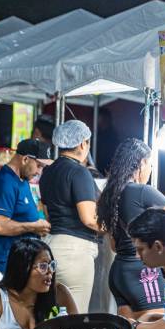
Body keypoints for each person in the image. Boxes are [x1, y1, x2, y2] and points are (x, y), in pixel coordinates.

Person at [97, 138, 165, 320]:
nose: (150, 170)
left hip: (119, 272)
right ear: (141, 163)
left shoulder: (109, 194)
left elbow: (114, 246)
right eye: (150, 165)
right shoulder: (142, 191)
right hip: (142, 272)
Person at [38, 120, 99, 313]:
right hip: (75, 253)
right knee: (75, 318)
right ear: (82, 143)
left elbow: (47, 213)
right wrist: (110, 227)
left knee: (53, 315)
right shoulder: (79, 172)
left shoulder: (47, 172)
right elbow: (88, 219)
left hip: (51, 247)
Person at [0, 139, 52, 272]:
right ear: (25, 159)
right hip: (5, 264)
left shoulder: (23, 179)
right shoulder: (4, 182)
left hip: (21, 263)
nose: (39, 172)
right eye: (39, 166)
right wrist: (33, 227)